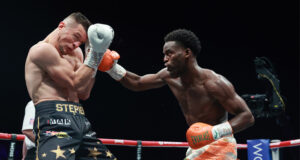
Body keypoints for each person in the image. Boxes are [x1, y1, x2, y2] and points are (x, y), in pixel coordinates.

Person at [99, 29, 255, 159]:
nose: (165, 59)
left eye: (170, 54)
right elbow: (137, 83)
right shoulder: (169, 76)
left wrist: (214, 132)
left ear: (187, 53)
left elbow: (247, 116)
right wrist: (112, 69)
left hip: (220, 144)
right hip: (196, 145)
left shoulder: (214, 83)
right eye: (164, 54)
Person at [25, 12, 117, 160]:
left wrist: (94, 63)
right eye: (76, 37)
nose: (76, 45)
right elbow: (74, 82)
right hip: (54, 120)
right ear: (61, 26)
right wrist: (96, 54)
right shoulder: (41, 50)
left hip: (80, 120)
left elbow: (83, 92)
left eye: (80, 42)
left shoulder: (76, 54)